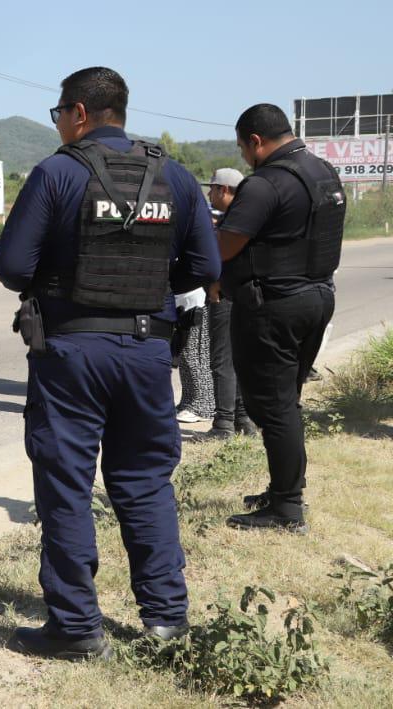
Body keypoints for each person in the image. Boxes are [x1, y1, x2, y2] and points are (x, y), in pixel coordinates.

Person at [0, 66, 220, 660]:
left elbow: (12, 267)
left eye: (58, 114)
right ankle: (166, 620)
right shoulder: (176, 175)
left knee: (67, 484)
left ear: (79, 113)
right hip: (147, 351)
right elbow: (205, 268)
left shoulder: (57, 172)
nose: (58, 125)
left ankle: (76, 628)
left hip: (71, 351)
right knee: (145, 481)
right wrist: (149, 285)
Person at [217, 104, 344, 533]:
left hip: (274, 306)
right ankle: (285, 490)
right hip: (317, 296)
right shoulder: (322, 171)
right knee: (285, 402)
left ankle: (287, 509)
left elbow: (226, 246)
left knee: (272, 407)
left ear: (256, 141)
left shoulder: (265, 183)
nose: (244, 157)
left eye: (242, 148)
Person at [198, 168, 256, 440]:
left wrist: (215, 283)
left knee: (222, 358)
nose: (209, 194)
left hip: (225, 295)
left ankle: (223, 424)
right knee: (240, 357)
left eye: (212, 189)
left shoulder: (230, 221)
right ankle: (243, 419)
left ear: (223, 190)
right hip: (247, 295)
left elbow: (220, 258)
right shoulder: (250, 215)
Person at [174, 287, 214, 423]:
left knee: (196, 355)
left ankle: (203, 407)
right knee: (185, 355)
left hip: (198, 303)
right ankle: (187, 402)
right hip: (184, 302)